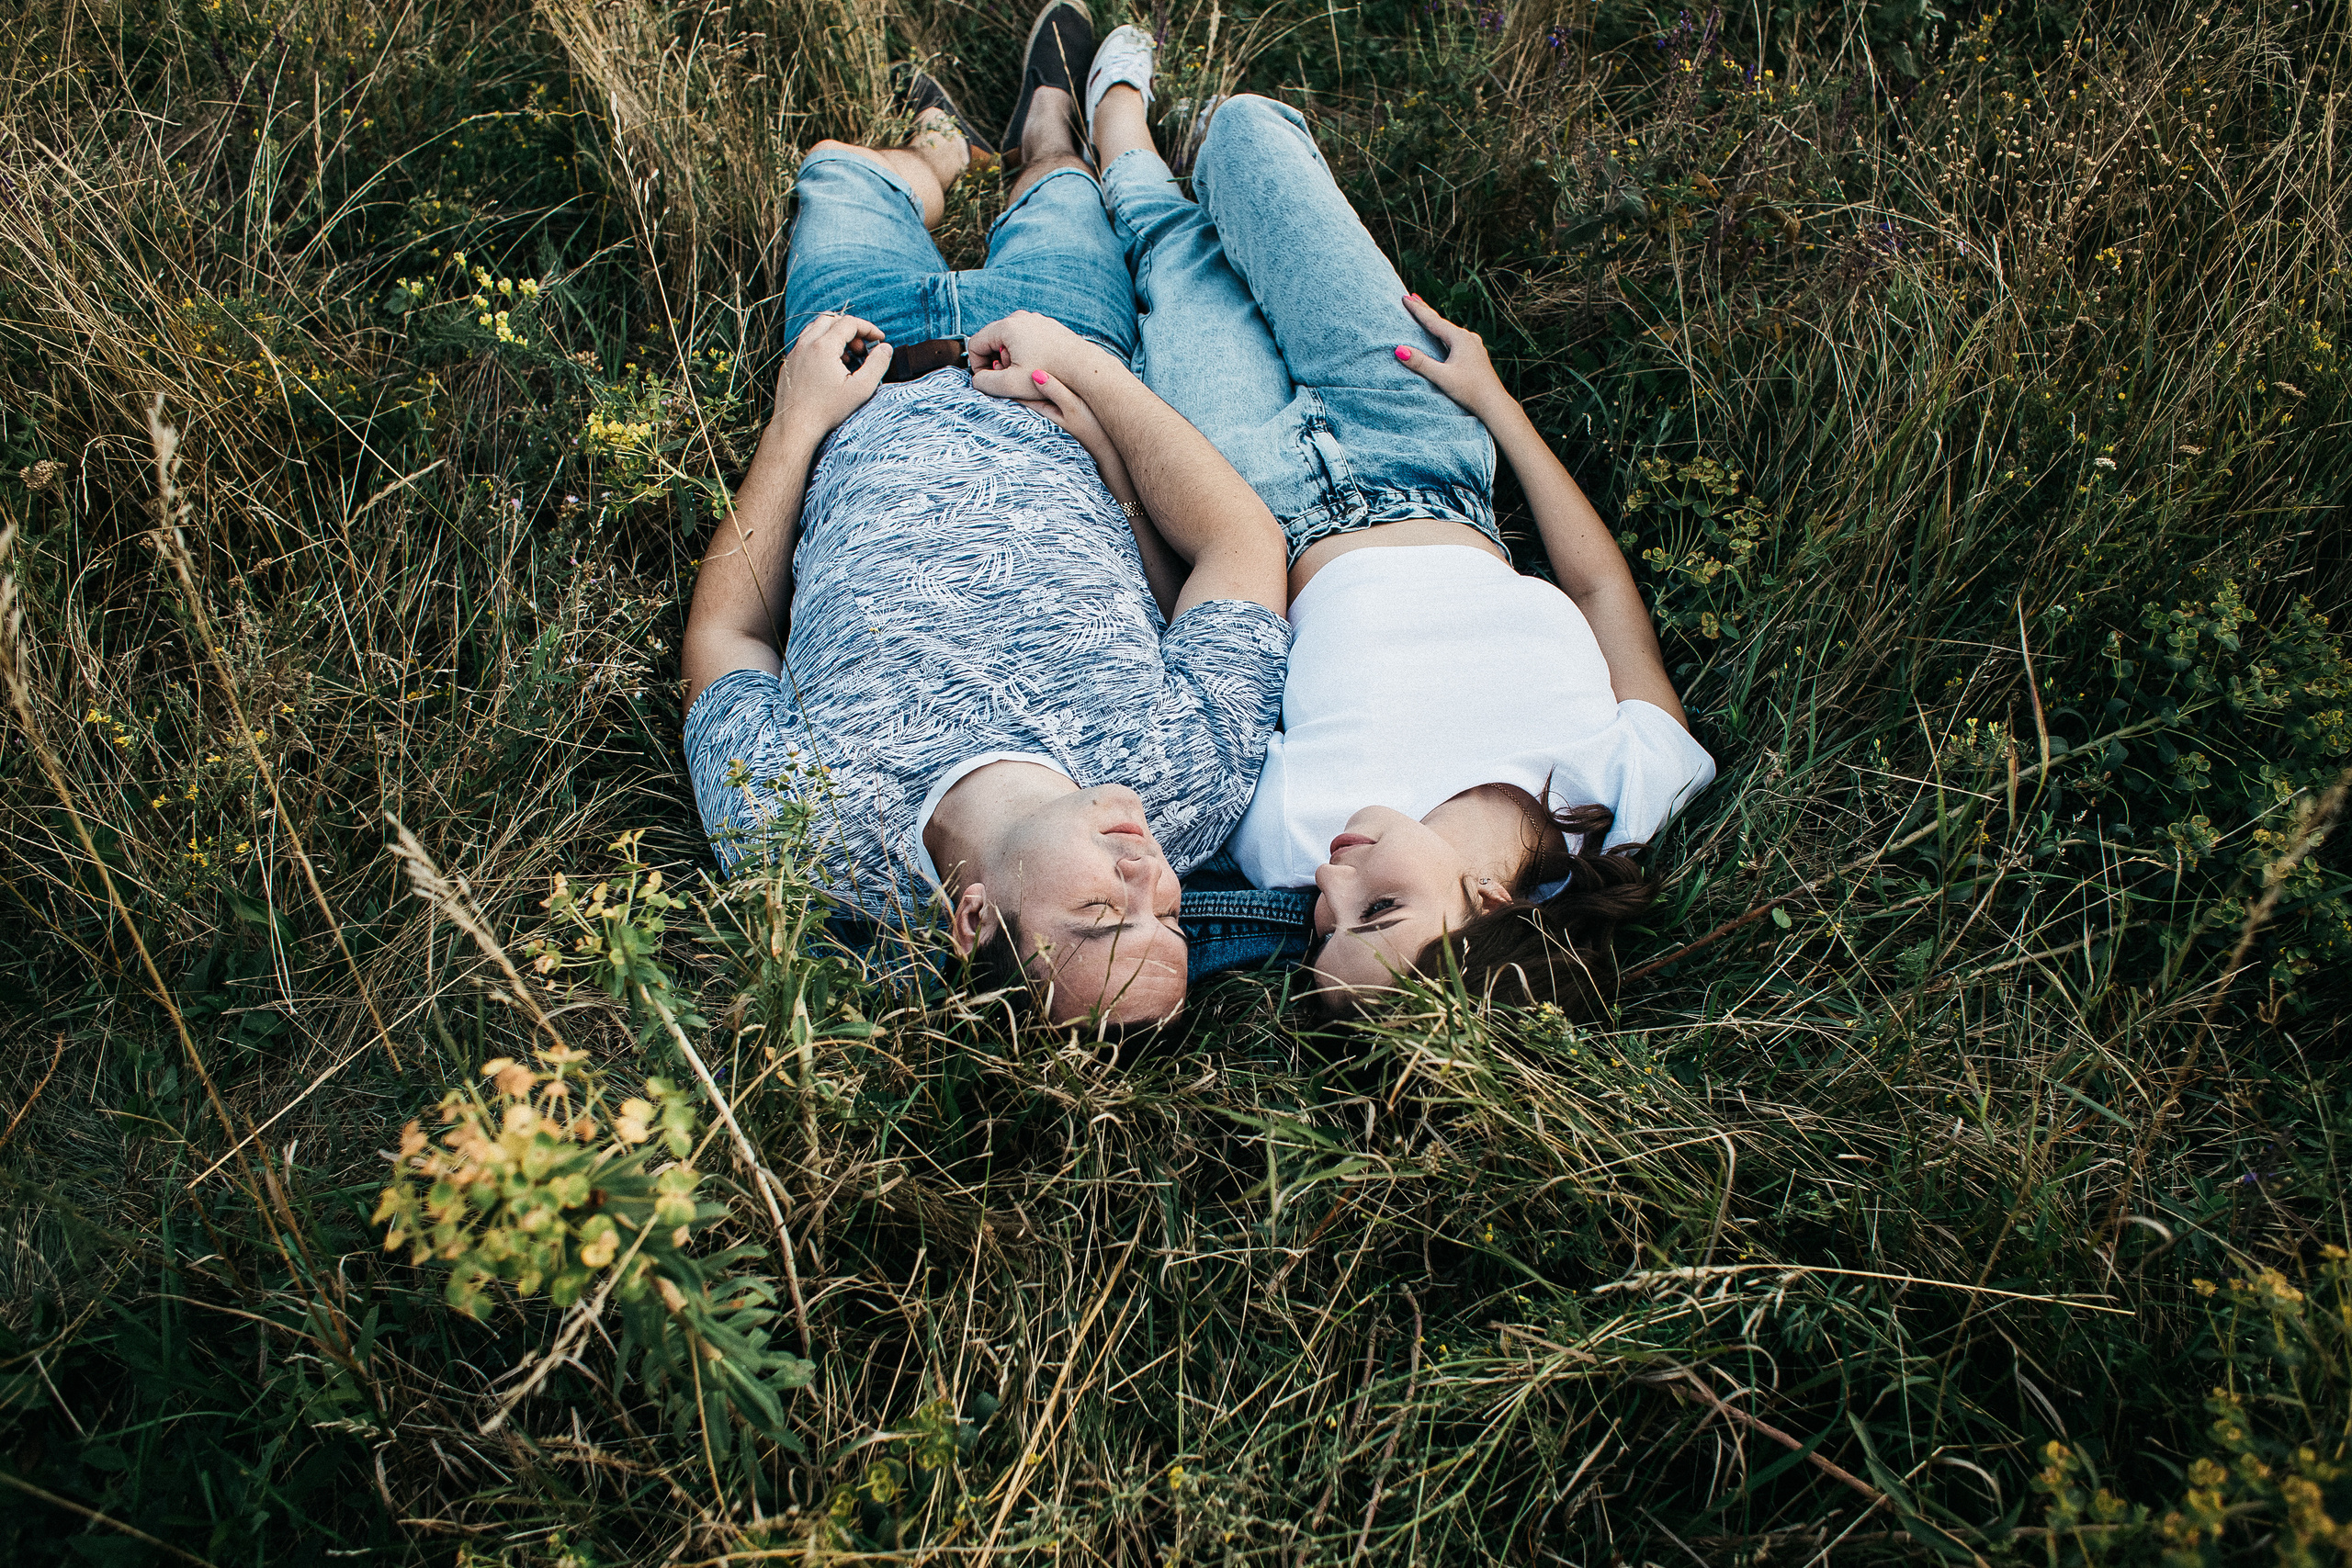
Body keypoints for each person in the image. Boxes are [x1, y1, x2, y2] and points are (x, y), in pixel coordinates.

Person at [1059, 39, 1716, 1010]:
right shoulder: (1629, 792)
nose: (1331, 887)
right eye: (1377, 910)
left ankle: (1120, 135)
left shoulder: (1287, 838)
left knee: (1173, 256)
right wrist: (1494, 402)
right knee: (1248, 132)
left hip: (1256, 497)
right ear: (1489, 903)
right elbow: (1598, 588)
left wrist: (1122, 469)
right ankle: (1201, 165)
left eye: (1328, 927)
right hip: (1424, 446)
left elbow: (1207, 629)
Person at [680, 9, 1291, 1027]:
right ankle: (1043, 122)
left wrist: (796, 423)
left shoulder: (800, 834)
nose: (1150, 875)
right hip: (1060, 347)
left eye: (1103, 913)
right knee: (1058, 182)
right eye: (1173, 916)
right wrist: (1079, 363)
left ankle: (932, 158)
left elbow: (726, 636)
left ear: (970, 920)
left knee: (836, 172)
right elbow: (1245, 544)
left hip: (857, 359)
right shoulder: (1187, 784)